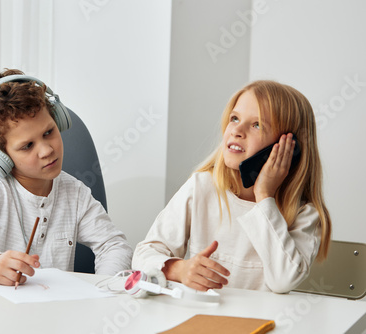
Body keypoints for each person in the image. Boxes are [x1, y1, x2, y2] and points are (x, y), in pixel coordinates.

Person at [0, 69, 133, 286]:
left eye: (49, 132)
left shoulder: (75, 193)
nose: (46, 150)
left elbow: (114, 245)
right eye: (27, 146)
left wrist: (103, 289)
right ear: (1, 156)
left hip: (54, 312)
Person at [132, 80, 332, 293]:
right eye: (235, 118)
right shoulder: (202, 187)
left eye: (257, 125)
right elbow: (143, 254)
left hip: (261, 324)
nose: (237, 130)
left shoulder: (304, 215)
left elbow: (283, 281)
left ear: (289, 150)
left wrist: (264, 196)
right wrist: (179, 270)